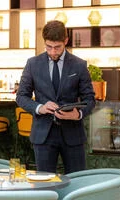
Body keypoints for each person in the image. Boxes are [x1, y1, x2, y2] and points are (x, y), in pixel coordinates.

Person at [16, 20, 96, 174]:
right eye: (48, 47)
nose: (53, 52)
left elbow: (90, 99)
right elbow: (21, 96)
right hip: (43, 135)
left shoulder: (79, 65)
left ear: (66, 41)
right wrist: (40, 107)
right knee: (45, 186)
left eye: (57, 47)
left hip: (72, 134)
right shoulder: (33, 64)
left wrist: (77, 114)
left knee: (77, 181)